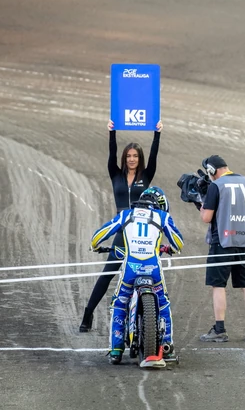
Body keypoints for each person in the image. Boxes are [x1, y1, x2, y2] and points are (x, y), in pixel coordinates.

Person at [80, 119, 163, 332]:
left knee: (145, 273)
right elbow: (111, 153)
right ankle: (88, 314)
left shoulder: (146, 175)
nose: (132, 159)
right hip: (122, 230)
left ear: (140, 159)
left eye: (135, 156)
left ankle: (149, 318)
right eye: (128, 156)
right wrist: (112, 132)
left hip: (141, 231)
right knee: (108, 273)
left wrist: (157, 134)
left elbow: (154, 155)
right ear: (124, 158)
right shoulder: (115, 174)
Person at [90, 187, 184, 367]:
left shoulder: (126, 215)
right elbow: (178, 243)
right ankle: (167, 346)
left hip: (130, 269)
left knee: (120, 303)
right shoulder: (162, 217)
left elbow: (98, 236)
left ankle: (116, 349)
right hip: (153, 268)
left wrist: (95, 246)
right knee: (163, 302)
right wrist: (171, 248)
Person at [198, 155, 245, 343]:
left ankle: (219, 329)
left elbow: (206, 218)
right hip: (244, 241)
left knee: (218, 285)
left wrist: (201, 204)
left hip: (222, 242)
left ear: (212, 170)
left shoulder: (216, 186)